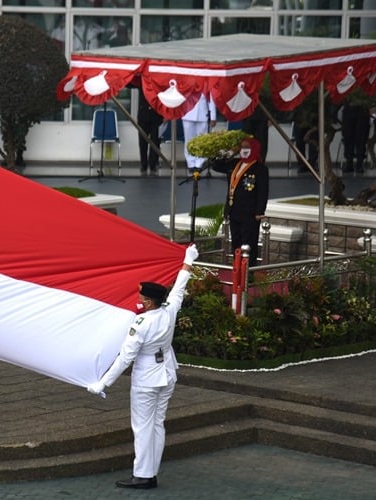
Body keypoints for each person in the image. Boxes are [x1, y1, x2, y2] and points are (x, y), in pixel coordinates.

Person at [87, 244, 198, 490]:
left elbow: (125, 358)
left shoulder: (141, 323)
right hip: (167, 374)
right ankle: (150, 471)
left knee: (142, 427)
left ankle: (143, 476)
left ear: (149, 302)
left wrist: (103, 383)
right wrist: (188, 261)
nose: (139, 301)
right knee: (157, 424)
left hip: (147, 379)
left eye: (141, 299)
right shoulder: (169, 312)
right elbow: (179, 288)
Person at [211, 137, 270, 267]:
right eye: (242, 148)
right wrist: (230, 152)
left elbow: (263, 191)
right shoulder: (234, 163)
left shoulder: (260, 168)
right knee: (236, 242)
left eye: (247, 148)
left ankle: (249, 272)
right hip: (234, 210)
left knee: (248, 244)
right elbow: (215, 165)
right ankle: (237, 269)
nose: (244, 150)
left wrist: (260, 211)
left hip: (249, 213)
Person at [181, 94, 217, 174]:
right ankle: (190, 164)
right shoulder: (186, 82)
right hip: (187, 113)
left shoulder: (206, 83)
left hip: (202, 114)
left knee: (202, 141)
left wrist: (213, 117)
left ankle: (199, 164)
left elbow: (211, 99)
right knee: (189, 140)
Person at [137, 88, 163, 177]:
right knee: (143, 142)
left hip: (156, 115)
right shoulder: (142, 80)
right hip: (143, 114)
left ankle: (153, 164)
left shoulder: (158, 80)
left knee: (155, 141)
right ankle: (143, 164)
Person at [341, 100, 371, 173]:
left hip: (363, 109)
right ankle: (349, 163)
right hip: (348, 108)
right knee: (348, 138)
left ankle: (359, 164)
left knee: (361, 139)